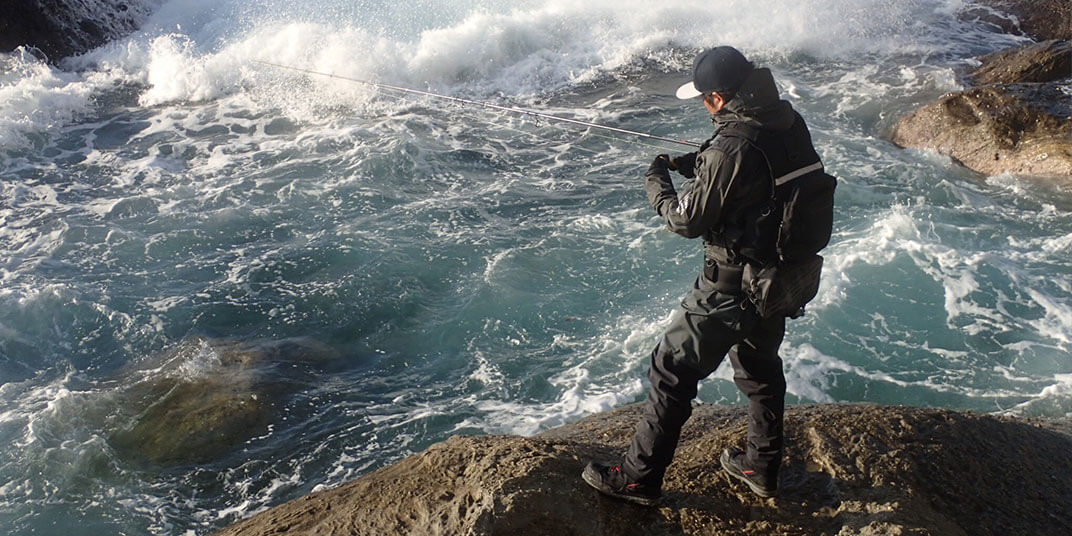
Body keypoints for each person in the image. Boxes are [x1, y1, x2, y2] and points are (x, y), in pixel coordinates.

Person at [581, 45, 826, 505]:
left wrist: (657, 182)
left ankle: (638, 479)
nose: (703, 105)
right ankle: (761, 466)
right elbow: (763, 171)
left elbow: (686, 221)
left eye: (703, 99)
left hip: (730, 286)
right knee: (759, 367)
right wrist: (700, 161)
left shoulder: (730, 148)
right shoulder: (787, 121)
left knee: (671, 370)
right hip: (778, 276)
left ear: (717, 98)